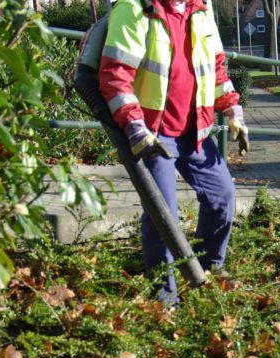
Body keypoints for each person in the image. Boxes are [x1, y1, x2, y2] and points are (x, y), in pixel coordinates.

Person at [99, 0, 249, 303]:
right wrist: (135, 127)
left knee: (223, 198)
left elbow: (216, 69)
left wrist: (233, 110)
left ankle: (205, 271)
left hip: (195, 129)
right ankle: (164, 298)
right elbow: (115, 76)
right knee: (162, 217)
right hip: (154, 133)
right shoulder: (135, 8)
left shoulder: (201, 9)